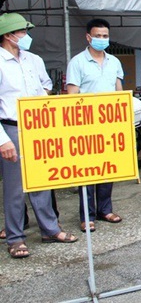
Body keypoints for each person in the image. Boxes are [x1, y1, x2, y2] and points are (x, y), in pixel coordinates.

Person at [0, 13, 78, 259]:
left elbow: (46, 84)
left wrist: (39, 99)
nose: (26, 36)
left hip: (37, 125)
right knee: (15, 189)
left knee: (43, 181)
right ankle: (15, 238)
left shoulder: (33, 59)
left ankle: (50, 229)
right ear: (9, 35)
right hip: (11, 127)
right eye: (22, 32)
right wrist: (2, 140)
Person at [67, 18, 125, 232]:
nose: (102, 39)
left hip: (109, 123)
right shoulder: (77, 62)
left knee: (106, 169)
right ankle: (87, 215)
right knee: (87, 172)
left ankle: (105, 209)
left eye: (105, 36)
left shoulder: (114, 62)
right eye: (98, 36)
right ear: (88, 37)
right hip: (86, 125)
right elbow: (71, 96)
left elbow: (119, 91)